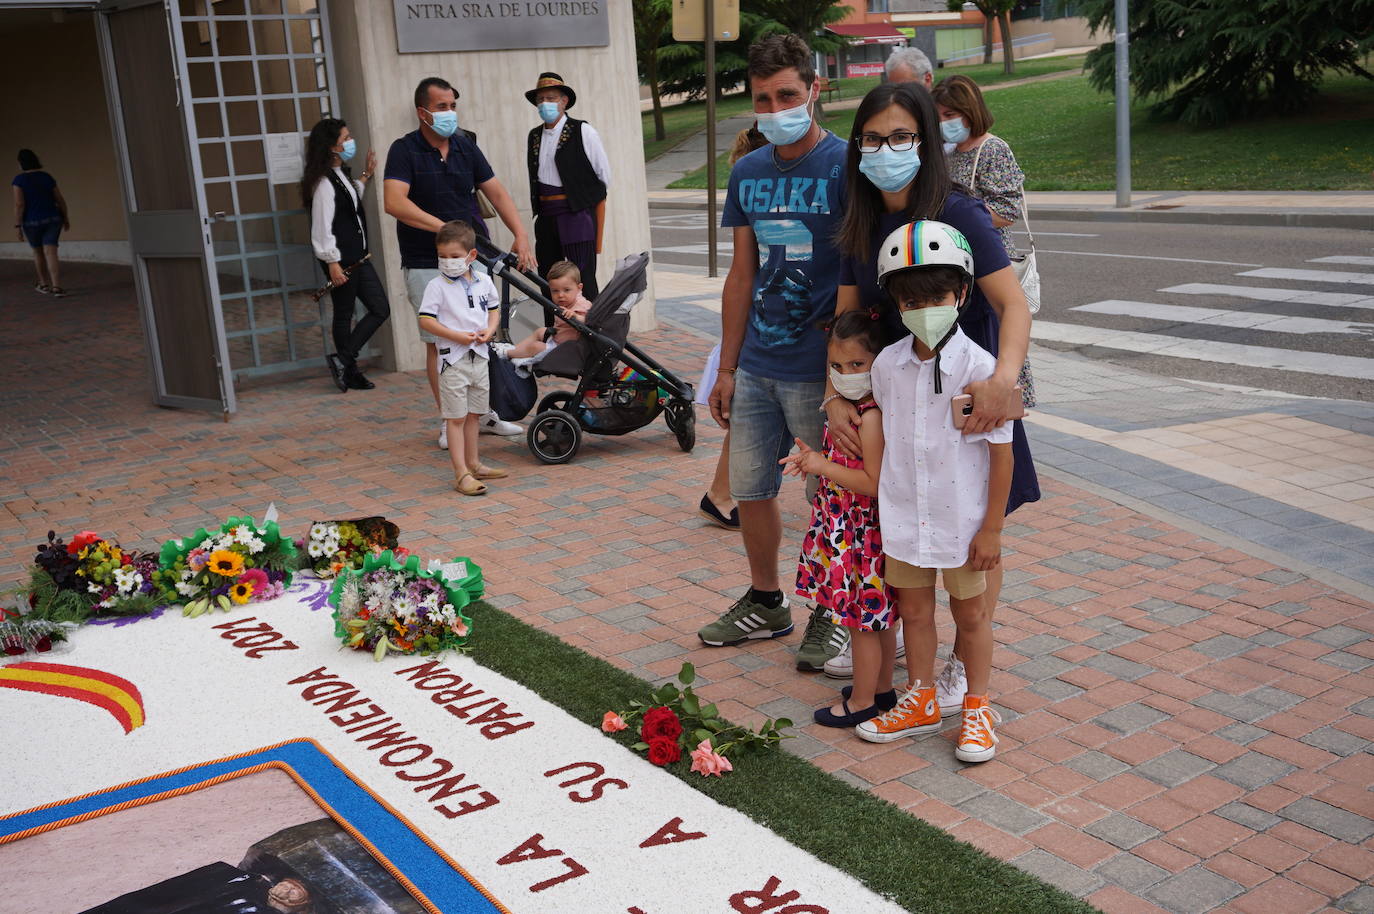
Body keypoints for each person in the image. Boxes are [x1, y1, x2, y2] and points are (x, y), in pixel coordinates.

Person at [826, 81, 1040, 705]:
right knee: (905, 521)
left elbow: (1012, 304)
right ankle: (897, 645)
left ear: (924, 140)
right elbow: (848, 320)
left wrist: (1004, 379)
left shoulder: (961, 212)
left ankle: (963, 666)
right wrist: (836, 393)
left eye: (899, 136)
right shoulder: (861, 224)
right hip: (898, 394)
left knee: (975, 531)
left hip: (968, 398)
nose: (885, 148)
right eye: (872, 138)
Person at [695, 34, 851, 674]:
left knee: (833, 500)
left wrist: (845, 378)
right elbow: (740, 275)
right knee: (754, 491)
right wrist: (726, 367)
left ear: (813, 90)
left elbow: (861, 272)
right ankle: (767, 601)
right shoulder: (747, 172)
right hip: (759, 365)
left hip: (822, 375)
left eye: (787, 93)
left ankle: (834, 614)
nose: (775, 106)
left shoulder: (848, 165)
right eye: (763, 98)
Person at [854, 219, 1011, 764]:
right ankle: (920, 697)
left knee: (971, 617)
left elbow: (1001, 453)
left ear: (962, 292)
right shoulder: (886, 365)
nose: (924, 307)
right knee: (914, 613)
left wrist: (992, 527)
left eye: (936, 296)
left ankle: (977, 706)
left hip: (962, 522)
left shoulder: (982, 369)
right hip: (903, 516)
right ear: (896, 302)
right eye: (911, 298)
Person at [383, 76, 532, 447]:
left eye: (452, 106)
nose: (449, 113)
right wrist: (445, 231)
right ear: (423, 112)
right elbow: (394, 202)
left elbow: (495, 191)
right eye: (441, 107)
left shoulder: (465, 146)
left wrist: (521, 235)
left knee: (482, 334)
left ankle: (483, 414)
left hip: (473, 256)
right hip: (425, 260)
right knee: (439, 342)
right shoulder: (404, 150)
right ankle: (450, 419)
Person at [779, 311, 897, 728]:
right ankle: (881, 690)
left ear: (880, 360)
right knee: (875, 619)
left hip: (862, 534)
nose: (845, 375)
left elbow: (873, 481)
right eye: (837, 367)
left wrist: (820, 465)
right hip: (849, 529)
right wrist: (816, 460)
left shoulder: (872, 417)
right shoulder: (856, 410)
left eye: (856, 365)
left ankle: (863, 700)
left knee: (862, 622)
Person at [934, 74, 1036, 406]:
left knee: (994, 330)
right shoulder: (947, 151)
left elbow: (1008, 208)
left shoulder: (993, 149)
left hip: (988, 257)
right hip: (953, 258)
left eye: (950, 115)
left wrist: (963, 218)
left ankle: (1004, 400)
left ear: (970, 110)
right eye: (939, 116)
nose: (944, 123)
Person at [697, 122, 767, 533]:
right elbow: (744, 271)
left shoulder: (749, 182)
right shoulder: (754, 185)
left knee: (751, 417)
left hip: (754, 320)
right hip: (759, 321)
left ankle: (722, 493)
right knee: (750, 417)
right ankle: (721, 494)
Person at [416, 221, 508, 497]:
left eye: (454, 256)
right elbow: (426, 320)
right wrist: (455, 335)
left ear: (471, 256)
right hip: (452, 359)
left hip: (478, 356)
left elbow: (494, 310)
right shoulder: (436, 286)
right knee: (455, 417)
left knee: (474, 414)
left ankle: (474, 463)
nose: (447, 262)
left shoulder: (484, 281)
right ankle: (461, 473)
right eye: (442, 256)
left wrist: (489, 331)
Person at [303, 118, 389, 392]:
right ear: (331, 147)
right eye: (345, 138)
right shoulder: (323, 183)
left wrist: (365, 176)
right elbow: (321, 227)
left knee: (379, 308)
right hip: (342, 261)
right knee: (344, 313)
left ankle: (343, 361)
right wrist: (332, 263)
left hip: (358, 258)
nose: (350, 142)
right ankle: (348, 370)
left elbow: (350, 198)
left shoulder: (339, 176)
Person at [525, 72, 610, 300]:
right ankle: (554, 330)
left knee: (582, 277)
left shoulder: (582, 130)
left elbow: (603, 175)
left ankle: (590, 332)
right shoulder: (534, 136)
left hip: (576, 214)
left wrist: (582, 200)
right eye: (541, 99)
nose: (545, 104)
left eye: (551, 98)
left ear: (564, 101)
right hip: (546, 216)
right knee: (548, 278)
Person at [492, 260, 591, 367]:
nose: (560, 295)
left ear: (579, 288)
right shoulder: (567, 301)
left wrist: (576, 316)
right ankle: (515, 349)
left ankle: (506, 353)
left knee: (536, 347)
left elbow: (590, 322)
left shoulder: (581, 305)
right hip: (558, 339)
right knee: (540, 331)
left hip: (567, 350)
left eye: (566, 290)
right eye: (555, 291)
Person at [12, 149, 69, 297]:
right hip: (52, 219)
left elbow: (19, 204)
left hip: (31, 222)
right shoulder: (46, 177)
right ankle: (57, 287)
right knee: (51, 252)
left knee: (38, 252)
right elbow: (59, 199)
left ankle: (44, 284)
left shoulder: (19, 180)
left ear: (21, 163)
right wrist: (66, 217)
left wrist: (18, 226)